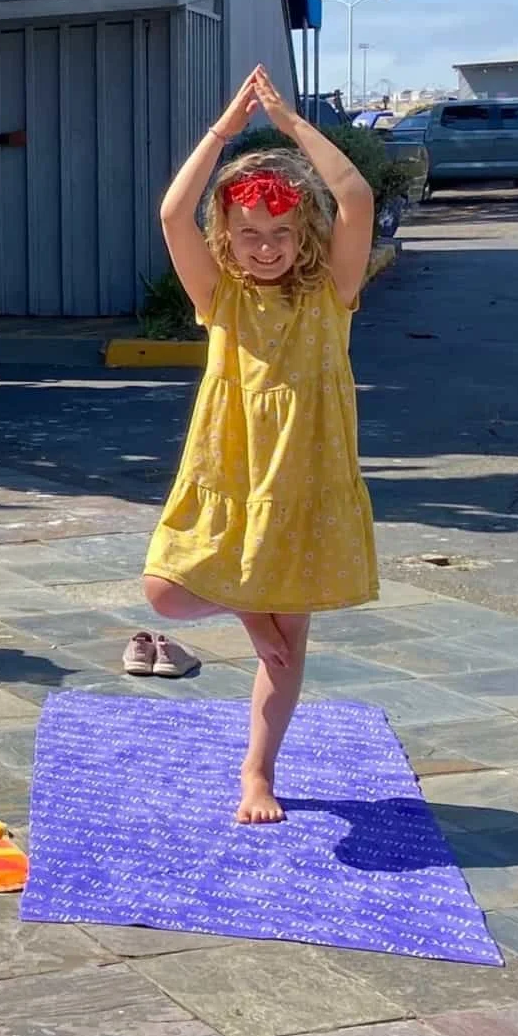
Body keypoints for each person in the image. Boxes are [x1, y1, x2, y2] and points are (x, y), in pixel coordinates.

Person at [141, 66, 379, 825]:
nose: (267, 247)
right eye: (250, 234)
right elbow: (174, 213)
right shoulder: (221, 296)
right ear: (229, 238)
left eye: (281, 233)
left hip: (304, 474)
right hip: (232, 472)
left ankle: (257, 772)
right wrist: (225, 129)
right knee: (165, 591)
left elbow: (357, 198)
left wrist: (291, 126)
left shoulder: (330, 293)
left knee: (289, 643)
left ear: (302, 232)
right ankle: (250, 609)